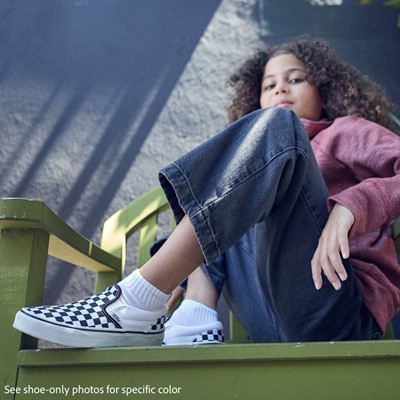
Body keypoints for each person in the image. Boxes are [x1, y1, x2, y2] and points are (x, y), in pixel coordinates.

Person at [13, 37, 400, 348]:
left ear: (325, 88)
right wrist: (197, 276)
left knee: (278, 136)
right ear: (256, 98)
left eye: (295, 78)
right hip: (268, 319)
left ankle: (134, 302)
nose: (281, 86)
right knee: (242, 184)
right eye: (269, 85)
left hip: (336, 308)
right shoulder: (263, 156)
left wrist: (354, 205)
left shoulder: (347, 131)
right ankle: (195, 317)